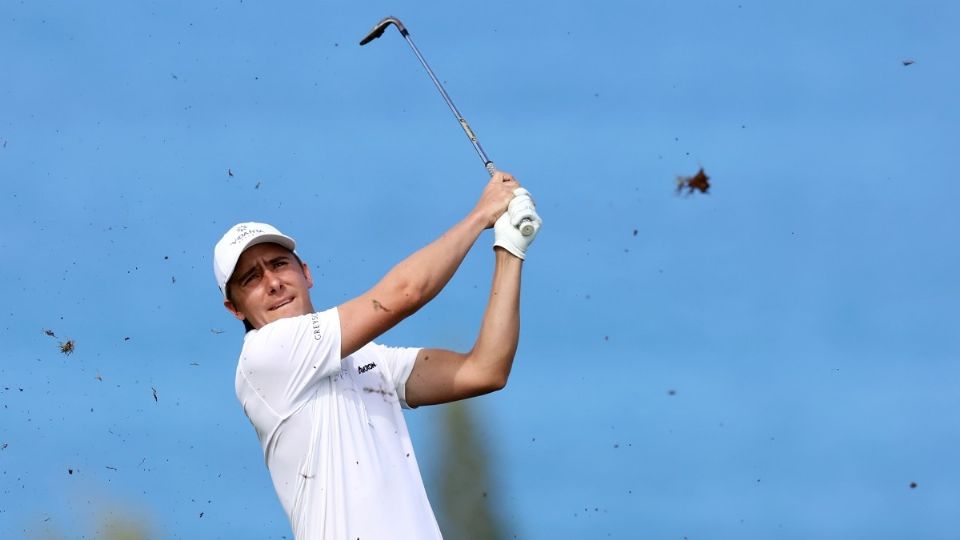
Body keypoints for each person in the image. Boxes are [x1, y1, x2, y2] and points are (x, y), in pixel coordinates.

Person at [212, 171, 541, 539]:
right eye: (250, 279)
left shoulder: (367, 360)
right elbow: (403, 294)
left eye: (278, 264)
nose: (272, 282)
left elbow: (486, 370)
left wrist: (510, 248)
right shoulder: (265, 355)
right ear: (234, 309)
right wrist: (481, 215)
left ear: (305, 273)